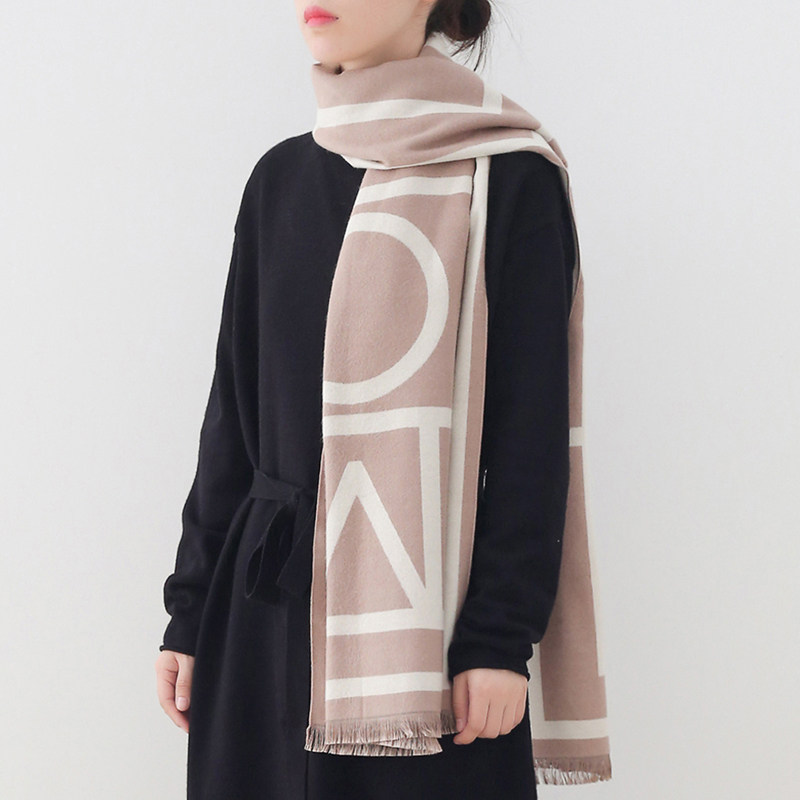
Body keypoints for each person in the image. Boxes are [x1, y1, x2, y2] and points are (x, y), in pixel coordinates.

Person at [155, 1, 576, 797]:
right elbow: (232, 419)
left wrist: (499, 637)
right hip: (262, 624)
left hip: (433, 638)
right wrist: (191, 610)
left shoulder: (509, 178)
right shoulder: (279, 179)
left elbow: (531, 438)